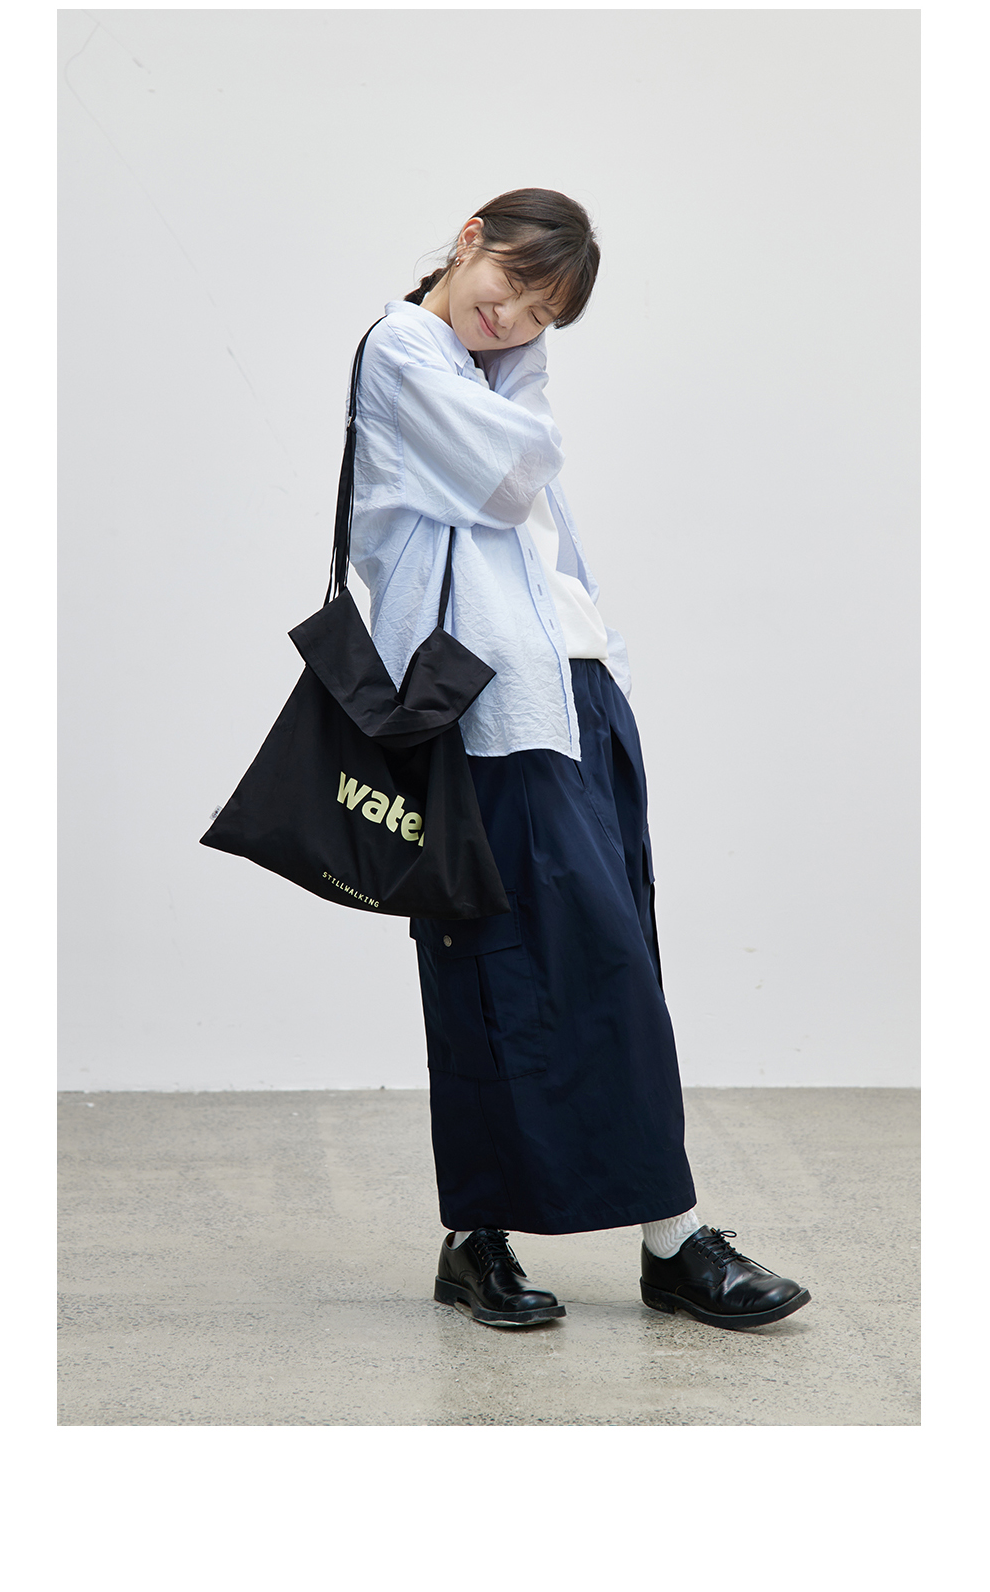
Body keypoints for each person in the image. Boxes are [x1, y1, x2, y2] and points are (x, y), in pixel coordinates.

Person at [349, 188, 810, 1331]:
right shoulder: (402, 348)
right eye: (512, 286)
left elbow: (534, 501)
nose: (513, 321)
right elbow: (517, 475)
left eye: (542, 315)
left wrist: (517, 386)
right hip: (483, 708)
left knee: (616, 960)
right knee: (506, 963)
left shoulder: (491, 368)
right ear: (468, 239)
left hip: (574, 690)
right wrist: (522, 401)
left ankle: (627, 1241)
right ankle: (608, 1238)